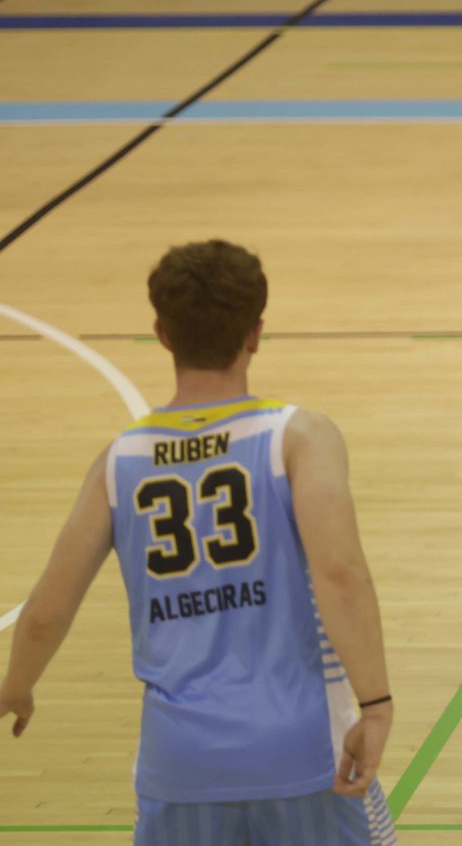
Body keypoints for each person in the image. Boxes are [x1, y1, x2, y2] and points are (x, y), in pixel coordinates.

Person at [0, 239, 398, 844]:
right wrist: (375, 703)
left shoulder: (120, 459)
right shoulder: (296, 437)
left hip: (179, 763)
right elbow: (339, 573)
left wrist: (17, 685)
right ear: (256, 332)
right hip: (302, 749)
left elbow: (46, 611)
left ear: (162, 333)